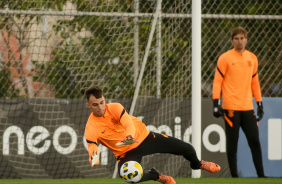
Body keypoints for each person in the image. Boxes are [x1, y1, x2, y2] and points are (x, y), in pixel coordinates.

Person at [84, 85, 221, 184]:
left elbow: (128, 124)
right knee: (130, 177)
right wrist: (93, 157)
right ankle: (155, 176)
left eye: (102, 102)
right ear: (88, 106)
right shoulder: (91, 127)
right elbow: (92, 147)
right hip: (125, 153)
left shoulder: (115, 107)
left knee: (187, 149)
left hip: (144, 138)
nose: (100, 107)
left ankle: (197, 164)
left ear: (104, 99)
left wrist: (129, 136)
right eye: (95, 105)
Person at [212, 27, 265, 178]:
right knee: (232, 143)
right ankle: (234, 177)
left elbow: (255, 83)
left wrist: (259, 103)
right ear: (232, 41)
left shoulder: (252, 58)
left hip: (248, 107)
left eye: (242, 38)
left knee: (254, 140)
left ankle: (261, 176)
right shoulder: (225, 58)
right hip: (230, 108)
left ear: (246, 40)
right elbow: (217, 82)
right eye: (236, 39)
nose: (239, 41)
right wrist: (216, 104)